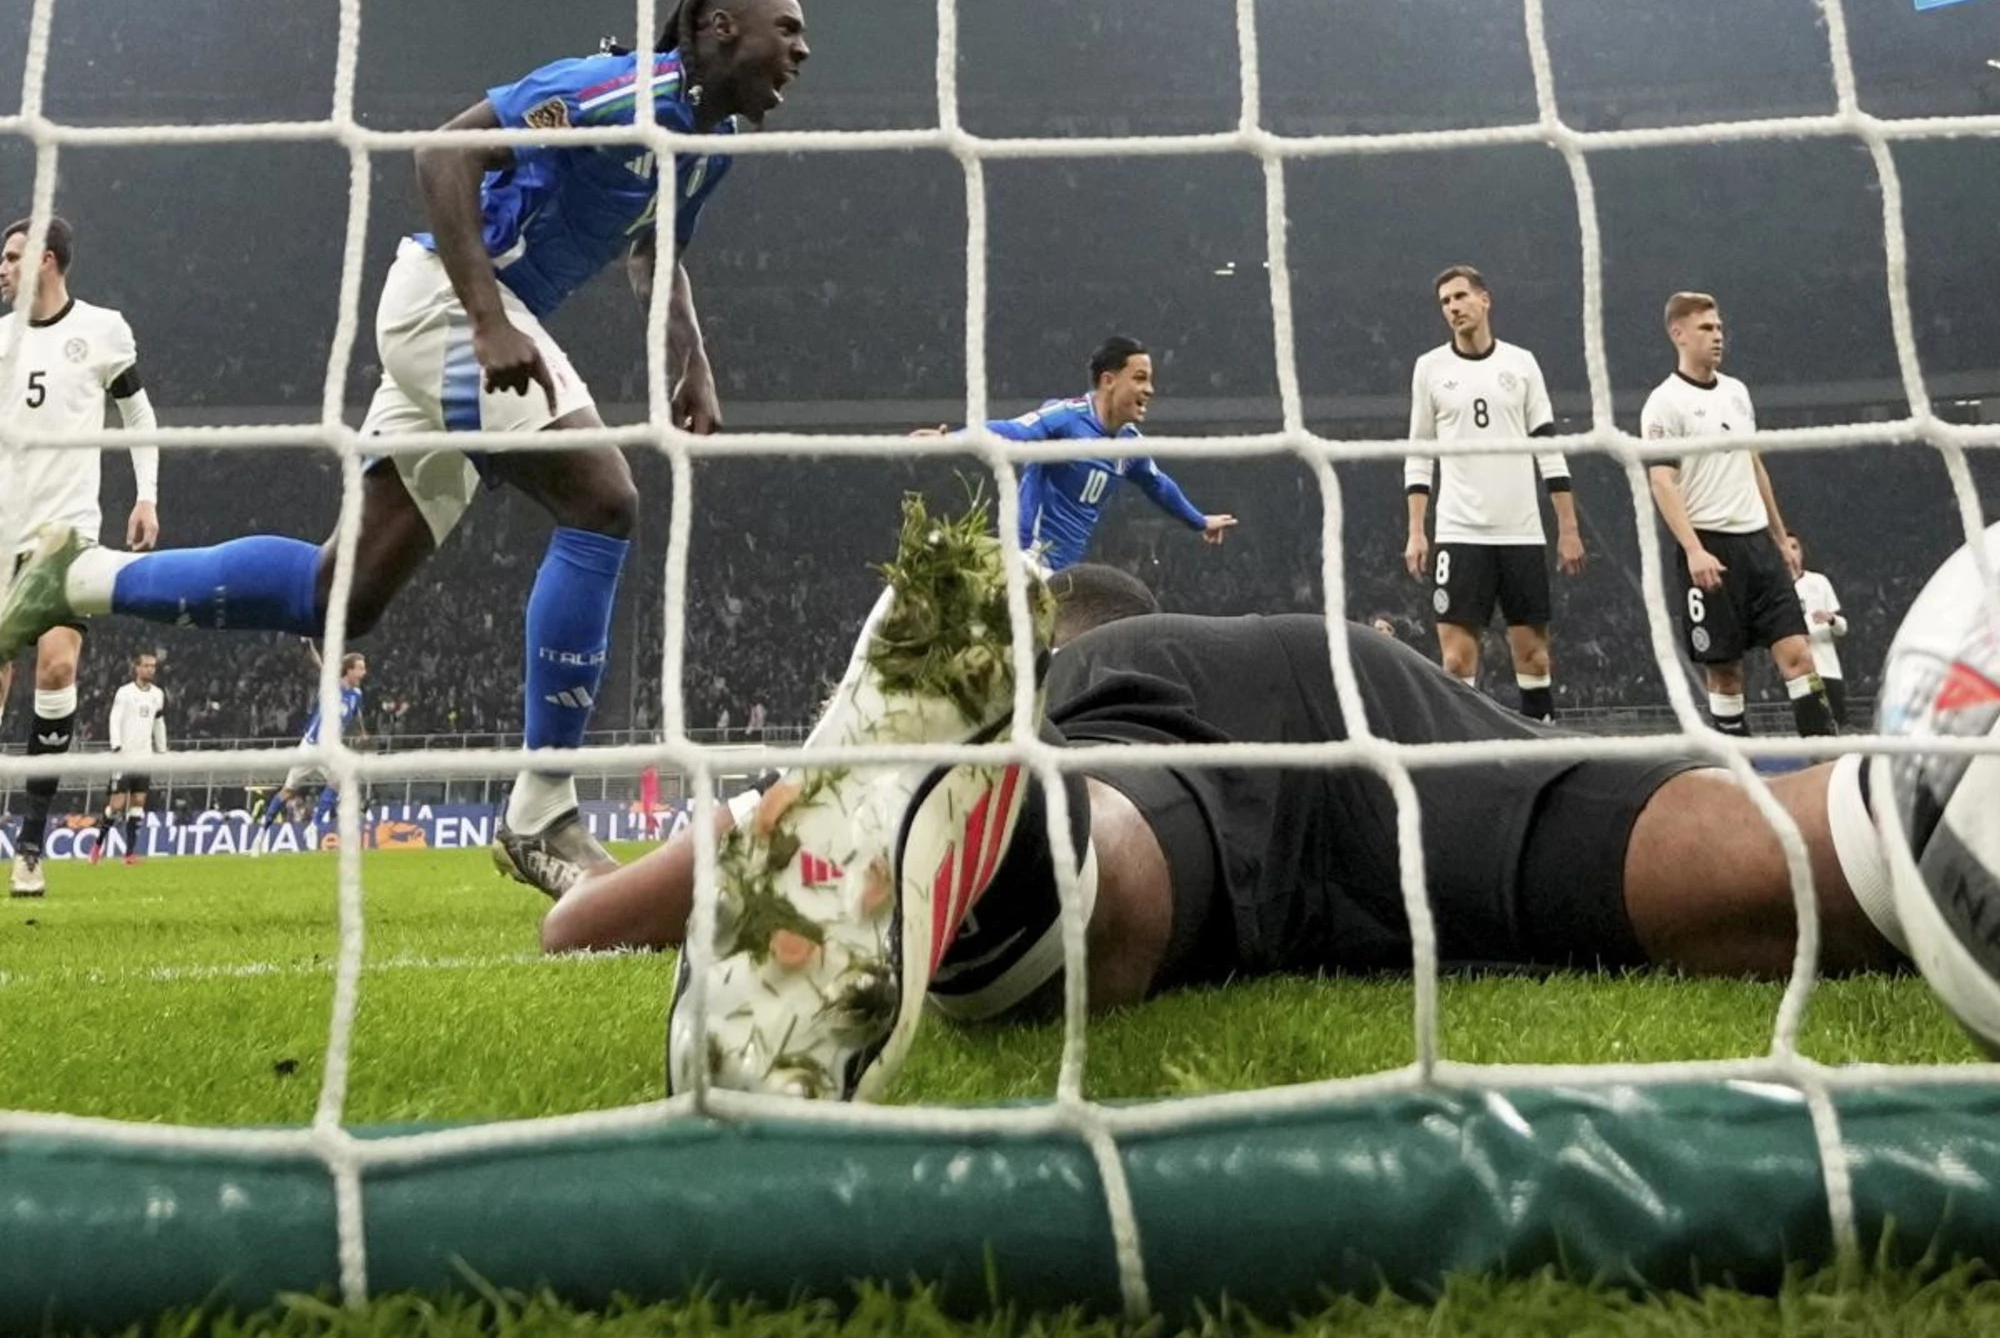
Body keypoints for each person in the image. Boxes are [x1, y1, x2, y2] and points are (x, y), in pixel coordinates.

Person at [539, 521, 1904, 1107]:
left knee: (1121, 885)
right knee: (1695, 860)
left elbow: (596, 921)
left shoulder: (1097, 667)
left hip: (1133, 746)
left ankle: (1001, 845)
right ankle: (1924, 828)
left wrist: (605, 898)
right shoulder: (1227, 635)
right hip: (1360, 691)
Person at [0, 0, 811, 900]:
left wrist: (690, 357)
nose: (800, 50)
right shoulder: (608, 91)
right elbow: (442, 154)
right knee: (604, 498)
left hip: (482, 318)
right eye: (785, 28)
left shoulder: (713, 143)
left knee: (337, 593)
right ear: (717, 28)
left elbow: (655, 248)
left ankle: (78, 576)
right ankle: (543, 809)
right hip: (451, 305)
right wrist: (487, 317)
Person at [1, 213, 160, 902]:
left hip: (66, 533)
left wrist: (146, 494)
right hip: (1, 529)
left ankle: (31, 844)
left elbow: (138, 414)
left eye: (11, 256)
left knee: (58, 664)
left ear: (49, 259)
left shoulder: (102, 329)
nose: (2, 267)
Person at [1641, 294, 1836, 740]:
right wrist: (1693, 550)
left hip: (1758, 546)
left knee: (1800, 657)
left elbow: (1754, 465)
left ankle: (1825, 761)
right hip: (1710, 547)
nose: (1717, 335)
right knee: (1726, 674)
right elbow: (1662, 481)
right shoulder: (1664, 403)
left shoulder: (1737, 392)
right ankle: (1739, 777)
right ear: (1679, 334)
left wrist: (1780, 535)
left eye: (1719, 328)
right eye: (1707, 328)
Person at [1403, 263, 1583, 719]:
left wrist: (1568, 528)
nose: (1453, 308)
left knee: (1535, 658)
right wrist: (1416, 531)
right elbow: (1420, 452)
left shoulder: (1521, 364)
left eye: (1460, 296)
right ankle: (1468, 761)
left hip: (1521, 532)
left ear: (1485, 300)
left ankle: (1545, 753)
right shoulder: (1429, 368)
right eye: (1445, 302)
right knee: (1456, 661)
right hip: (1460, 531)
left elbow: (1549, 448)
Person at [963, 336, 1238, 574]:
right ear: (1109, 380)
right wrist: (951, 438)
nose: (1150, 390)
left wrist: (1200, 521)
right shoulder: (1067, 418)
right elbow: (1014, 430)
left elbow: (1159, 485)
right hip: (1027, 559)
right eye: (1140, 378)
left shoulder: (1129, 445)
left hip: (1064, 572)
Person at [254, 650, 368, 844]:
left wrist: (361, 732)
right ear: (348, 670)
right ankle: (261, 834)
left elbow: (356, 716)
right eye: (360, 668)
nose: (364, 672)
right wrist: (308, 646)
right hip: (310, 746)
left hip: (329, 749)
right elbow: (320, 665)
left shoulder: (356, 694)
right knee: (288, 790)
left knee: (339, 781)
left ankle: (313, 826)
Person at [89, 649, 167, 865]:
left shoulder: (157, 694)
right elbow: (115, 719)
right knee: (116, 805)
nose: (151, 669)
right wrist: (116, 746)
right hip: (124, 756)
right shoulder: (125, 692)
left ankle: (129, 854)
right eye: (147, 666)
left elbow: (158, 721)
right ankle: (97, 846)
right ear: (137, 668)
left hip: (144, 757)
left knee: (138, 803)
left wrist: (162, 750)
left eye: (153, 666)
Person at [1786, 535, 1849, 730]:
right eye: (1785, 547)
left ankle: (1840, 760)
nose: (1790, 552)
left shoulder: (1819, 582)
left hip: (1827, 668)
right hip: (1800, 674)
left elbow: (1842, 627)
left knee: (1838, 726)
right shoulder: (1777, 589)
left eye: (1794, 547)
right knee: (1810, 730)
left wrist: (1830, 619)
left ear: (1801, 552)